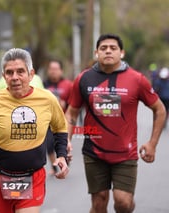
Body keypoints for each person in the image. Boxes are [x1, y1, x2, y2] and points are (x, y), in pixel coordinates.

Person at [66, 34, 166, 213]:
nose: (108, 51)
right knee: (99, 203)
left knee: (123, 203)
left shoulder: (137, 79)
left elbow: (160, 110)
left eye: (113, 48)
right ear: (96, 53)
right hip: (94, 153)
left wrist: (152, 144)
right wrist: (65, 141)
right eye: (103, 48)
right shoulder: (83, 79)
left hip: (125, 154)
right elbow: (71, 113)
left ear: (122, 53)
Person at [0, 48, 69, 213]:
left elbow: (60, 129)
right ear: (4, 76)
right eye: (9, 72)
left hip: (33, 176)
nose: (15, 77)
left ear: (31, 74)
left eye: (20, 71)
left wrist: (61, 155)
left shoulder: (47, 99)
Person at [43, 59, 73, 174]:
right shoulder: (43, 85)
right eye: (51, 69)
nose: (53, 71)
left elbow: (73, 105)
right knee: (49, 145)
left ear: (61, 70)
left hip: (63, 119)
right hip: (48, 121)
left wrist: (65, 104)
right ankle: (54, 166)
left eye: (56, 69)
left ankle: (64, 161)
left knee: (63, 144)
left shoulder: (68, 85)